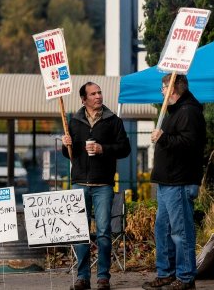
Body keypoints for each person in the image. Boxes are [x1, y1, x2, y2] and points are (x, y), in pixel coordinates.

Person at [62, 81, 131, 290]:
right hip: (79, 183)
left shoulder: (113, 121)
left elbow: (125, 148)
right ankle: (82, 277)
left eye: (99, 93)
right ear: (84, 99)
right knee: (79, 232)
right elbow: (69, 155)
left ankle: (103, 277)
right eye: (93, 94)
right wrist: (66, 145)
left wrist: (103, 149)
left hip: (103, 184)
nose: (98, 96)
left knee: (103, 232)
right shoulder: (73, 122)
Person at [142, 74, 206, 290]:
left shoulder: (188, 111)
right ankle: (166, 272)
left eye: (163, 88)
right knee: (163, 229)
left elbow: (190, 144)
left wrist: (163, 138)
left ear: (173, 90)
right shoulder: (177, 111)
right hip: (167, 180)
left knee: (180, 232)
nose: (161, 92)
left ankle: (186, 277)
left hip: (179, 181)